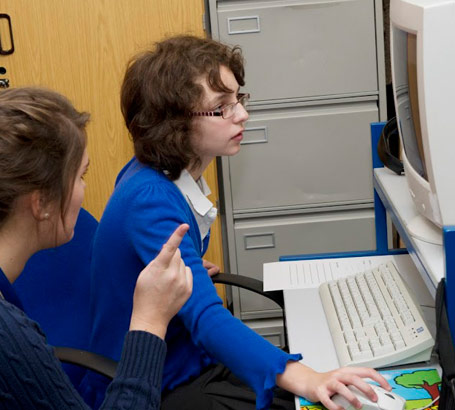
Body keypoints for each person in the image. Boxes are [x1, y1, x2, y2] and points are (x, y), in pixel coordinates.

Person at [83, 35, 391, 410]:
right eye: (221, 108)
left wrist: (191, 267)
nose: (242, 115)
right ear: (175, 123)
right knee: (317, 392)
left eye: (237, 100)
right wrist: (309, 380)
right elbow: (206, 318)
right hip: (159, 383)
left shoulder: (168, 173)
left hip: (185, 359)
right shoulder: (150, 198)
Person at [0, 86, 192, 409]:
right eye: (80, 176)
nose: (84, 189)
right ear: (42, 203)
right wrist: (149, 320)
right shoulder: (10, 339)